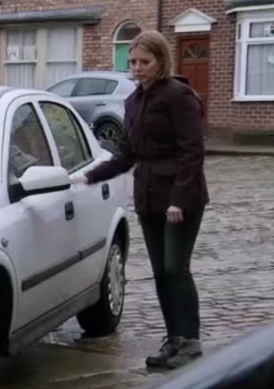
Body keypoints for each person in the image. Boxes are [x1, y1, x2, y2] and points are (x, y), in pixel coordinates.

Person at [72, 30, 209, 370]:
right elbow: (126, 155)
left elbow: (192, 152)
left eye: (144, 62)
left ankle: (190, 340)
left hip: (180, 198)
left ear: (161, 61)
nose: (137, 68)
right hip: (148, 196)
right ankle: (173, 339)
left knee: (177, 269)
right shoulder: (134, 101)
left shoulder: (179, 96)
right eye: (133, 62)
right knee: (161, 272)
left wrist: (179, 199)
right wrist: (88, 175)